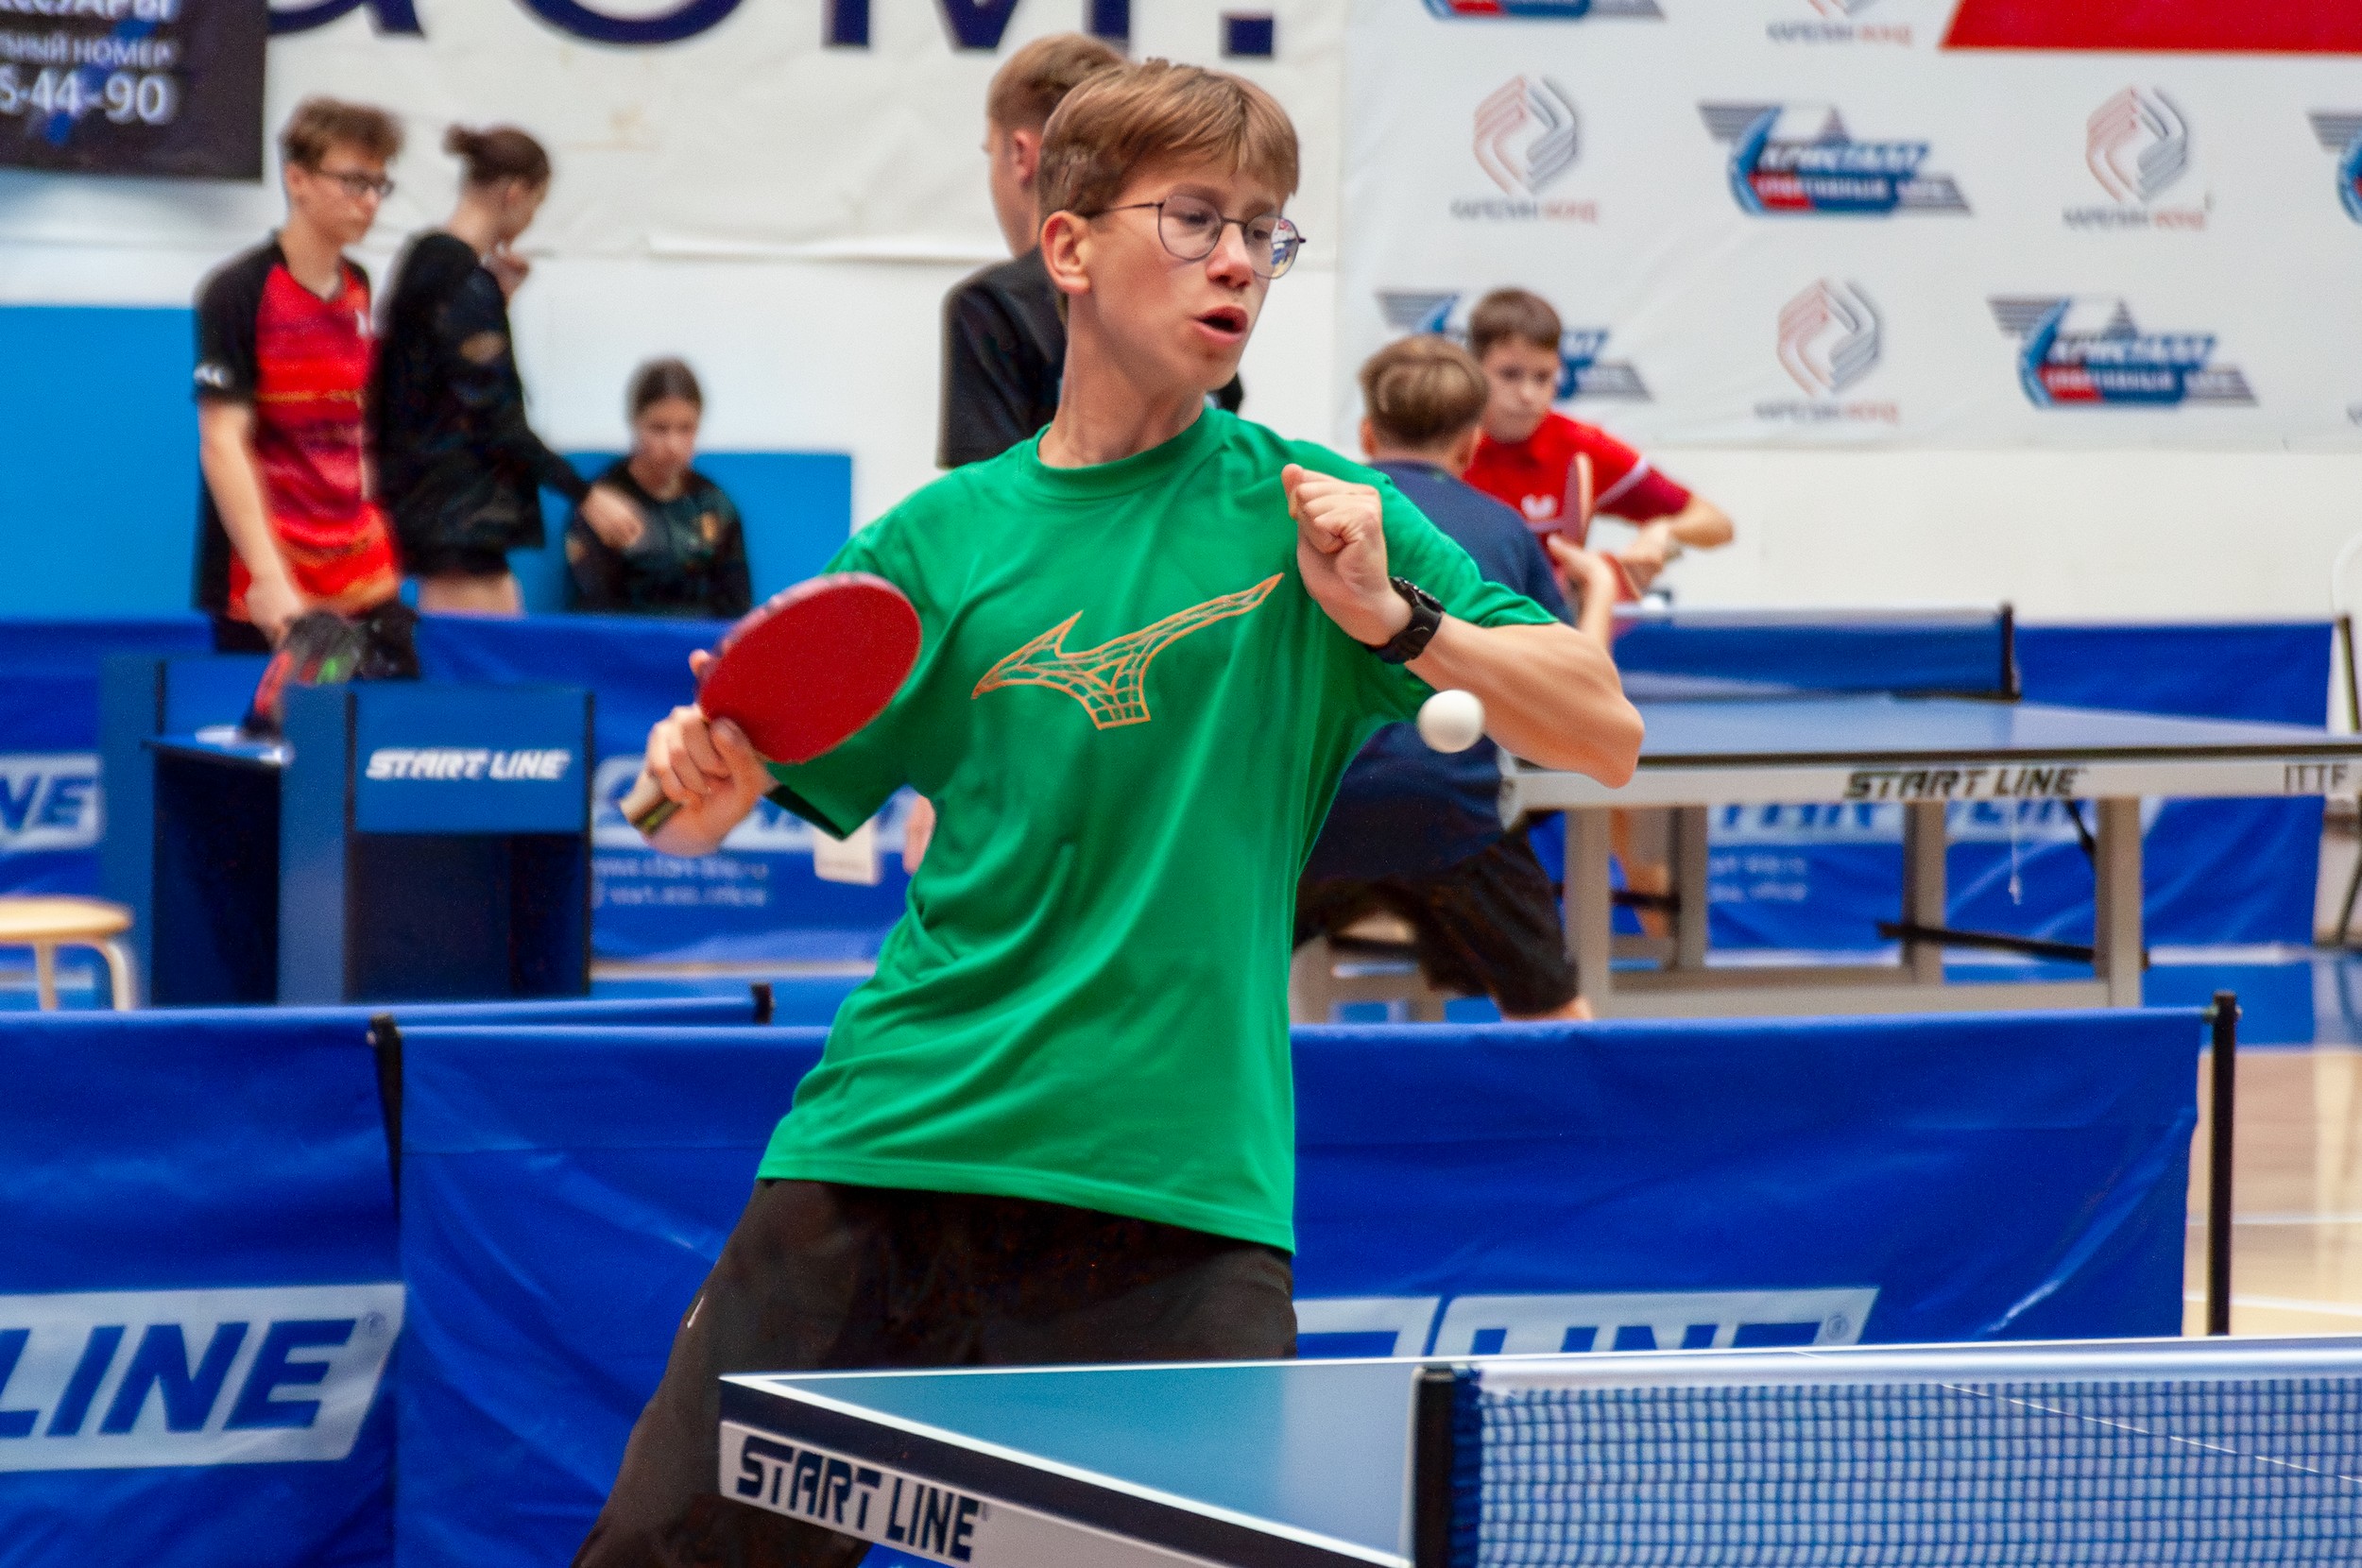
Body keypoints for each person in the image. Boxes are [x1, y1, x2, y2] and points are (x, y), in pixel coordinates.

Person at [576, 60, 1640, 1566]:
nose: (1237, 261)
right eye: (1195, 219)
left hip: (1174, 1195)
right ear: (1068, 246)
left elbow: (1600, 730)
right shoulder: (943, 539)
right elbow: (686, 820)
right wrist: (693, 776)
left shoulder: (1317, 513)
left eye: (1263, 231)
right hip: (892, 1151)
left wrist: (1396, 620)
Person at [1296, 335, 1618, 1023]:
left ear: (1366, 435)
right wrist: (1598, 591)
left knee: (1221, 989)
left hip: (1314, 814)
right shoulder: (1503, 530)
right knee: (1555, 1020)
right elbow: (1573, 700)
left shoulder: (1307, 522)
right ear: (1472, 446)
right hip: (1452, 818)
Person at [938, 32, 1242, 469]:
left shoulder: (994, 306)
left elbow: (987, 499)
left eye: (992, 153)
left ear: (1021, 154)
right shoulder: (1186, 300)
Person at [373, 124, 643, 615]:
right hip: (455, 517)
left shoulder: (429, 264)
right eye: (536, 205)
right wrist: (585, 495)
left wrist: (495, 302)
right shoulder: (459, 278)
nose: (531, 220)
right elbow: (493, 413)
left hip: (444, 514)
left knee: (501, 629)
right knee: (476, 655)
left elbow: (435, 376)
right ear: (515, 193)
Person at [192, 98, 415, 672]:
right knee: (281, 728)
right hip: (274, 574)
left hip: (359, 566)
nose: (369, 201)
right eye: (354, 182)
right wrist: (269, 578)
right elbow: (222, 442)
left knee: (387, 717)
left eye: (379, 186)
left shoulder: (359, 286)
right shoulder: (238, 290)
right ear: (297, 180)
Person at [1462, 287, 1733, 599]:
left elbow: (1717, 524)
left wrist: (1664, 531)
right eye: (1510, 375)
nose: (1528, 394)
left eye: (1543, 377)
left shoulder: (1581, 448)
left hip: (1549, 625)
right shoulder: (1440, 441)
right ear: (1474, 370)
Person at [565, 359, 753, 620]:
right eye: (659, 429)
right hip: (625, 640)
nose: (673, 445)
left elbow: (737, 609)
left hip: (701, 642)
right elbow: (596, 609)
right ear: (635, 422)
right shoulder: (603, 506)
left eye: (686, 429)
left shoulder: (715, 505)